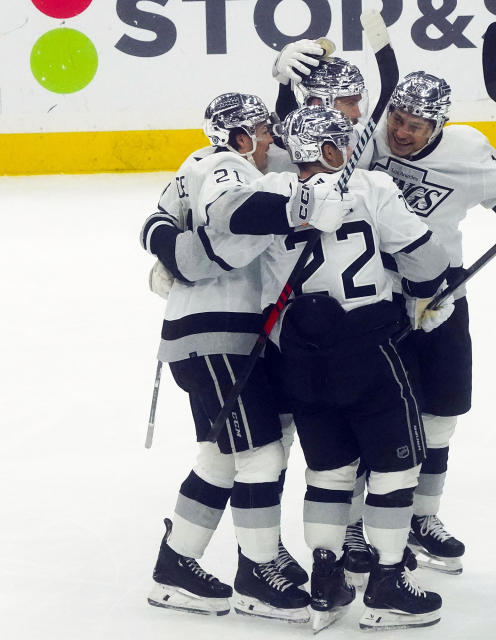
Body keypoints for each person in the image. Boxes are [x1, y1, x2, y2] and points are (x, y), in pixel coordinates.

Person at [203, 104, 454, 631]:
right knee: (394, 468)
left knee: (329, 472)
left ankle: (325, 577)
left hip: (298, 358)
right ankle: (386, 583)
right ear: (334, 149)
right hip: (368, 348)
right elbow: (426, 258)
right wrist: (428, 297)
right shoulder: (371, 186)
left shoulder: (274, 193)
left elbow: (225, 222)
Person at [357, 70, 496, 574]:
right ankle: (360, 524)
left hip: (442, 296)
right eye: (397, 120)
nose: (400, 133)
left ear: (439, 125)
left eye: (416, 126)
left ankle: (423, 516)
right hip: (375, 298)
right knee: (376, 414)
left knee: (441, 414)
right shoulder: (366, 141)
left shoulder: (468, 152)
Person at [140, 92, 313, 621]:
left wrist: (173, 250)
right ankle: (258, 573)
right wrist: (188, 256)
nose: (271, 138)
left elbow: (152, 223)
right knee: (261, 453)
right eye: (263, 130)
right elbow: (230, 213)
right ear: (239, 137)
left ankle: (176, 563)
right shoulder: (225, 165)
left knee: (222, 456)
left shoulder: (201, 161)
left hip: (220, 333)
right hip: (217, 332)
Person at [271, 42, 380, 584]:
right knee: (279, 444)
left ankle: (348, 534)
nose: (359, 113)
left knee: (350, 437)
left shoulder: (360, 146)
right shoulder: (281, 151)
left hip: (358, 316)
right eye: (351, 101)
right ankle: (270, 551)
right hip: (284, 327)